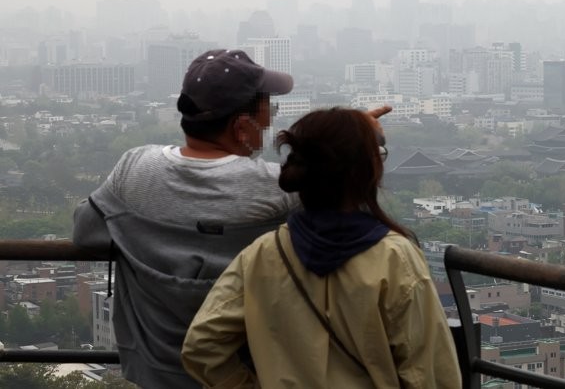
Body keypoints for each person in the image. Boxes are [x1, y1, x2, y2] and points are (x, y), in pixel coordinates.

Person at [73, 49, 390, 388]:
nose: (270, 122)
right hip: (243, 375)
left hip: (154, 375)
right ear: (242, 126)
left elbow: (86, 233)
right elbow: (351, 226)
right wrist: (360, 141)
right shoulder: (278, 190)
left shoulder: (133, 171)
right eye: (270, 110)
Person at [181, 108, 460, 388]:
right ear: (366, 171)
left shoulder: (264, 253)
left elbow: (201, 345)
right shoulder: (395, 259)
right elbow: (432, 374)